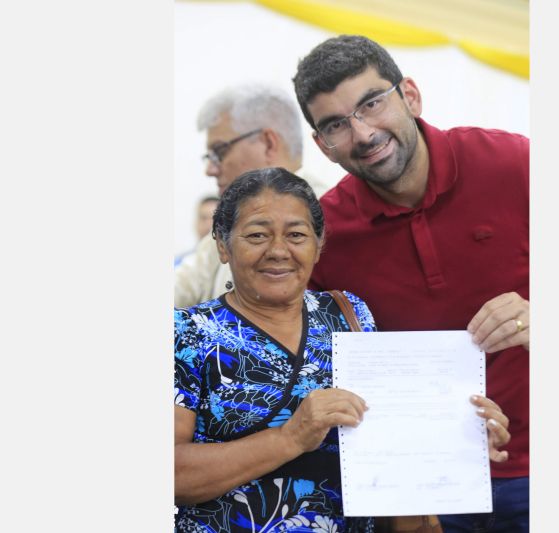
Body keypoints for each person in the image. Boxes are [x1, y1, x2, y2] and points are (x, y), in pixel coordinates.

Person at [174, 168, 511, 532]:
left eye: (297, 235)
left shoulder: (349, 314)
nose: (277, 251)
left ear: (318, 246)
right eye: (257, 235)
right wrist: (290, 438)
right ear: (223, 245)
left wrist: (458, 441)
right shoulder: (187, 334)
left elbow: (390, 437)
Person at [292, 35, 530, 532]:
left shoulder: (513, 164)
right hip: (423, 492)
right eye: (336, 124)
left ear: (411, 96)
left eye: (372, 104)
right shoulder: (325, 235)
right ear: (322, 145)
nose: (363, 133)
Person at [175, 84, 320, 308]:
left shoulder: (331, 212)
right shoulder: (231, 218)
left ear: (268, 144)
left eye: (220, 151)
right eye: (257, 235)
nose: (210, 169)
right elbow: (181, 286)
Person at [175, 195, 220, 268]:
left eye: (214, 219)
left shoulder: (230, 266)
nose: (208, 225)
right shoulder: (180, 264)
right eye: (204, 218)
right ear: (196, 223)